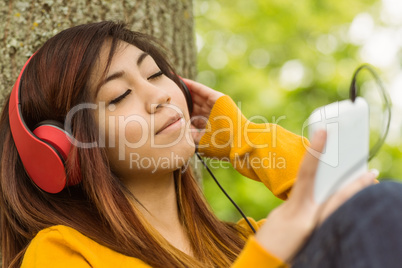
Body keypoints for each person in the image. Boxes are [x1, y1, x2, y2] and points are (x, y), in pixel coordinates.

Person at [0, 21, 399, 268]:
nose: (159, 97)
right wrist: (272, 251)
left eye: (155, 74)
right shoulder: (61, 254)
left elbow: (358, 211)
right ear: (65, 150)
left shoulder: (243, 242)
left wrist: (237, 136)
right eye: (119, 96)